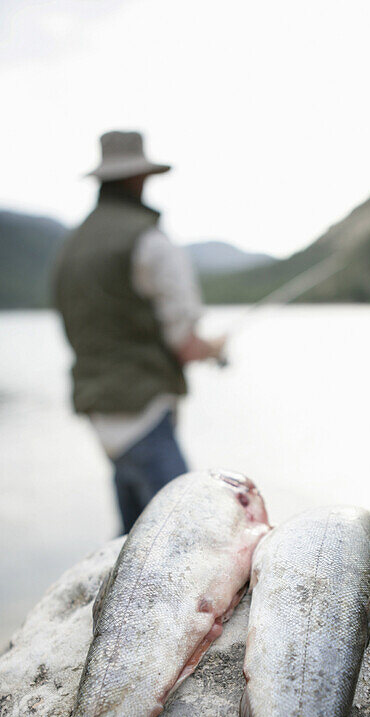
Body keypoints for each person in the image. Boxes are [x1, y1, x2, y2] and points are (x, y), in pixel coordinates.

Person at [53, 130, 226, 533]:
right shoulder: (149, 242)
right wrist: (213, 348)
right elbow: (185, 344)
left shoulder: (71, 247)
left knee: (131, 541)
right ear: (139, 177)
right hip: (144, 413)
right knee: (188, 534)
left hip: (98, 412)